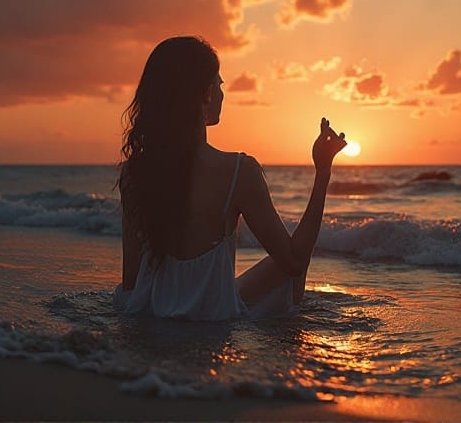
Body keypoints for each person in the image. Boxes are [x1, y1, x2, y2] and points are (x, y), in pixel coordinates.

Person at [113, 36, 348, 320]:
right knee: (293, 262)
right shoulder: (238, 171)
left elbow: (131, 280)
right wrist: (323, 172)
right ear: (205, 94)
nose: (223, 94)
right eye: (219, 85)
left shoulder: (134, 173)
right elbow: (294, 261)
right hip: (212, 323)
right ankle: (288, 346)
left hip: (150, 315)